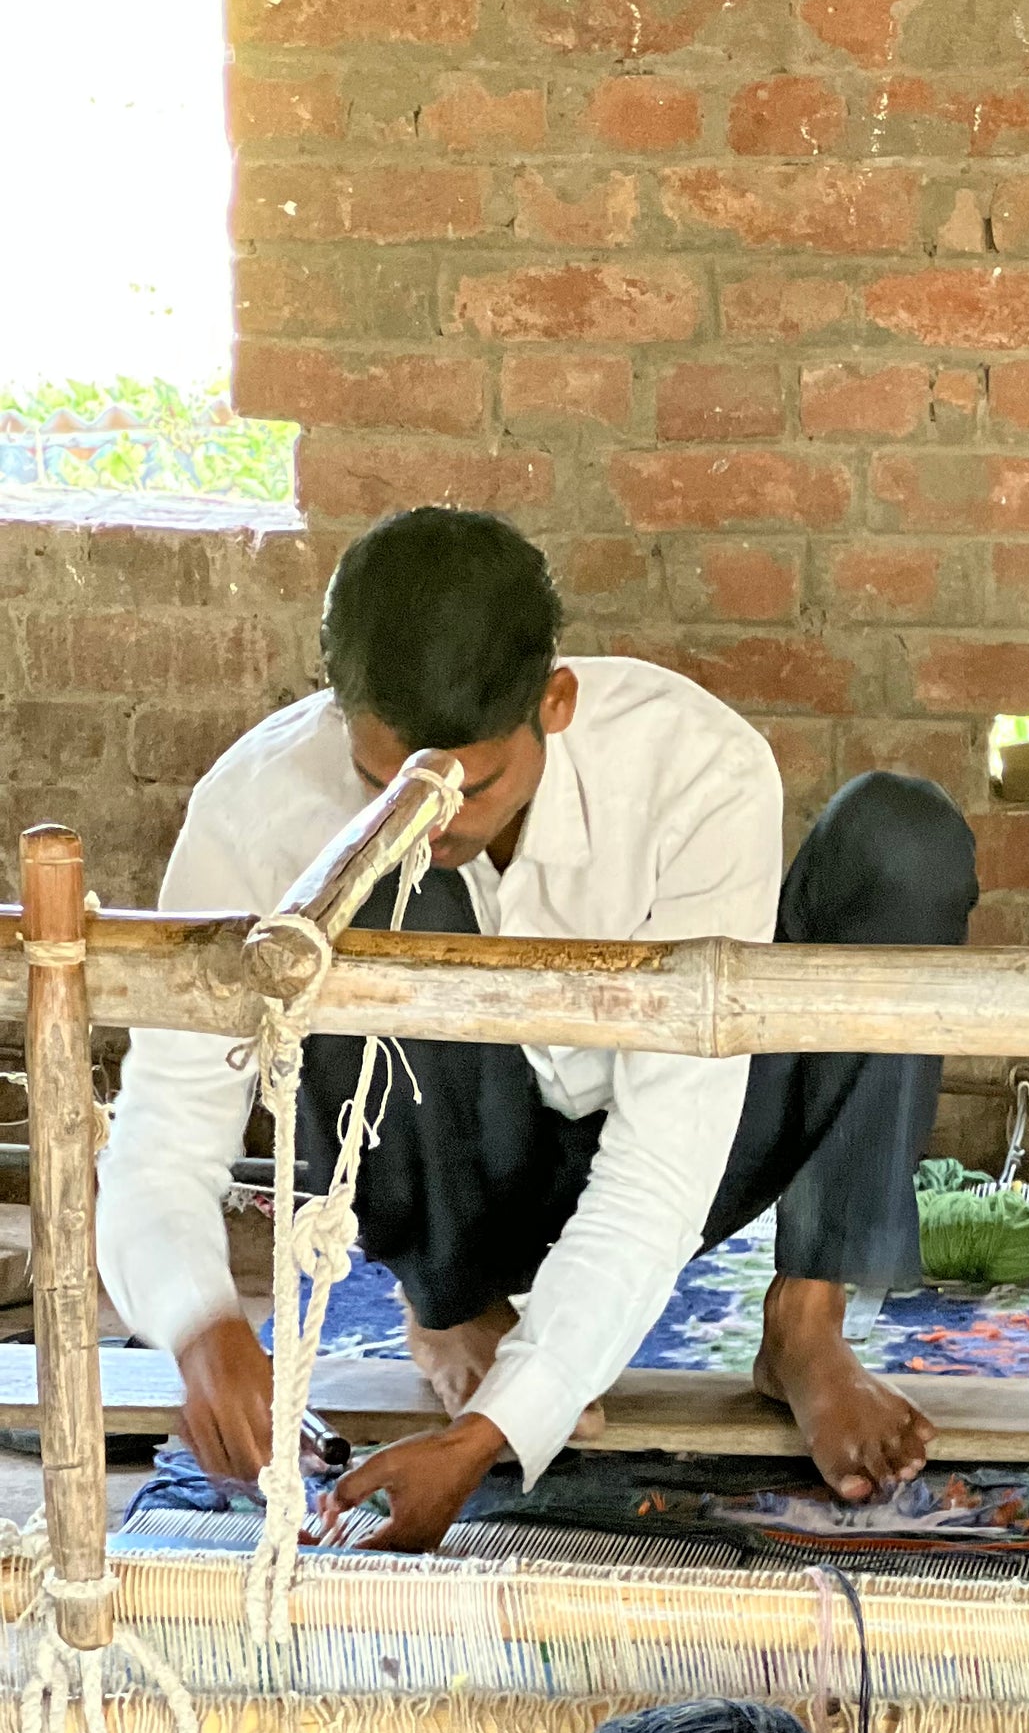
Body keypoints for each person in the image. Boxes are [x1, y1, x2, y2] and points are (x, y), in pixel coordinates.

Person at [99, 506, 975, 1552]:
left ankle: (806, 1327)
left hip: (687, 1139)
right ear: (342, 717)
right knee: (378, 871)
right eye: (388, 780)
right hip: (443, 1161)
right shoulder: (257, 808)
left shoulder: (697, 769)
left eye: (474, 785)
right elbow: (161, 1131)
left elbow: (664, 1163)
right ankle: (452, 1296)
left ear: (554, 704)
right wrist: (201, 1326)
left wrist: (492, 1429)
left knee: (904, 839)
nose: (445, 814)